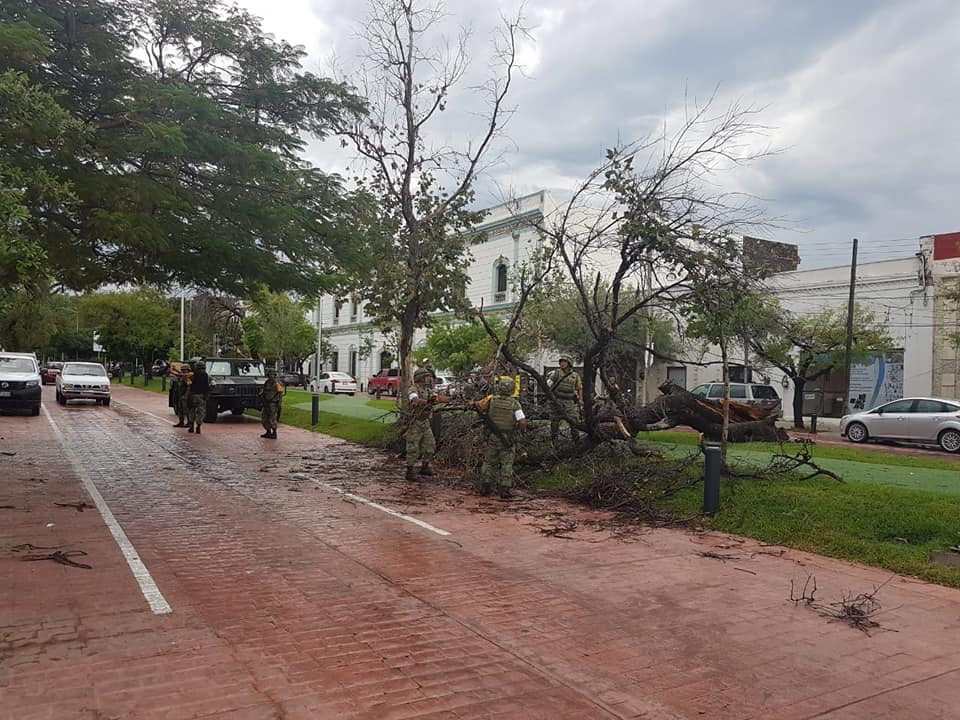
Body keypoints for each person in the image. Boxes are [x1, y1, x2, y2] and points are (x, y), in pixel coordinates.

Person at [473, 377, 527, 499]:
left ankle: (485, 487)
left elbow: (478, 405)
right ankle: (505, 489)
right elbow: (522, 422)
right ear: (512, 389)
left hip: (492, 436)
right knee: (506, 464)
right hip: (507, 438)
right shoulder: (514, 403)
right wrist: (520, 430)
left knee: (489, 462)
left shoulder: (491, 399)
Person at [404, 366, 445, 481]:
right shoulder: (413, 389)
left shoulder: (428, 390)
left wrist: (451, 399)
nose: (429, 378)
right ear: (420, 378)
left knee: (430, 445)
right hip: (415, 422)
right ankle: (410, 471)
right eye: (427, 376)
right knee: (413, 447)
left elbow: (438, 398)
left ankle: (425, 467)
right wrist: (426, 402)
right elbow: (414, 400)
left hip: (424, 422)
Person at [548, 356, 583, 445]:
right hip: (557, 401)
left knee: (574, 421)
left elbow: (579, 388)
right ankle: (554, 443)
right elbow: (548, 384)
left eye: (564, 362)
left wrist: (580, 400)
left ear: (569, 363)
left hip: (569, 402)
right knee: (555, 423)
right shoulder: (556, 373)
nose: (562, 364)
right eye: (561, 362)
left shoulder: (575, 375)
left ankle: (577, 442)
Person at [186, 360, 210, 434]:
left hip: (193, 395)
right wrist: (206, 395)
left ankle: (191, 426)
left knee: (191, 410)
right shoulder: (206, 375)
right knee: (201, 412)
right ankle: (198, 426)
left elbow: (189, 385)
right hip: (202, 396)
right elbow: (207, 387)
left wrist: (187, 395)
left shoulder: (193, 375)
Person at [260, 368, 283, 439]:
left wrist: (279, 403)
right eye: (269, 374)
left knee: (272, 419)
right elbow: (263, 391)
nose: (270, 376)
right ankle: (268, 432)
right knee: (264, 418)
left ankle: (274, 433)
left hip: (273, 403)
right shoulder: (267, 382)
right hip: (266, 402)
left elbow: (280, 394)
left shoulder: (277, 383)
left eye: (272, 374)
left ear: (274, 375)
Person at [170, 363, 192, 428]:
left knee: (186, 410)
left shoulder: (188, 377)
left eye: (185, 370)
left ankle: (189, 423)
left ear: (188, 370)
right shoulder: (182, 376)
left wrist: (186, 395)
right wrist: (174, 370)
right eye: (182, 370)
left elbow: (189, 387)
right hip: (180, 395)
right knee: (180, 410)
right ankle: (181, 422)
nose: (183, 371)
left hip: (185, 396)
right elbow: (179, 374)